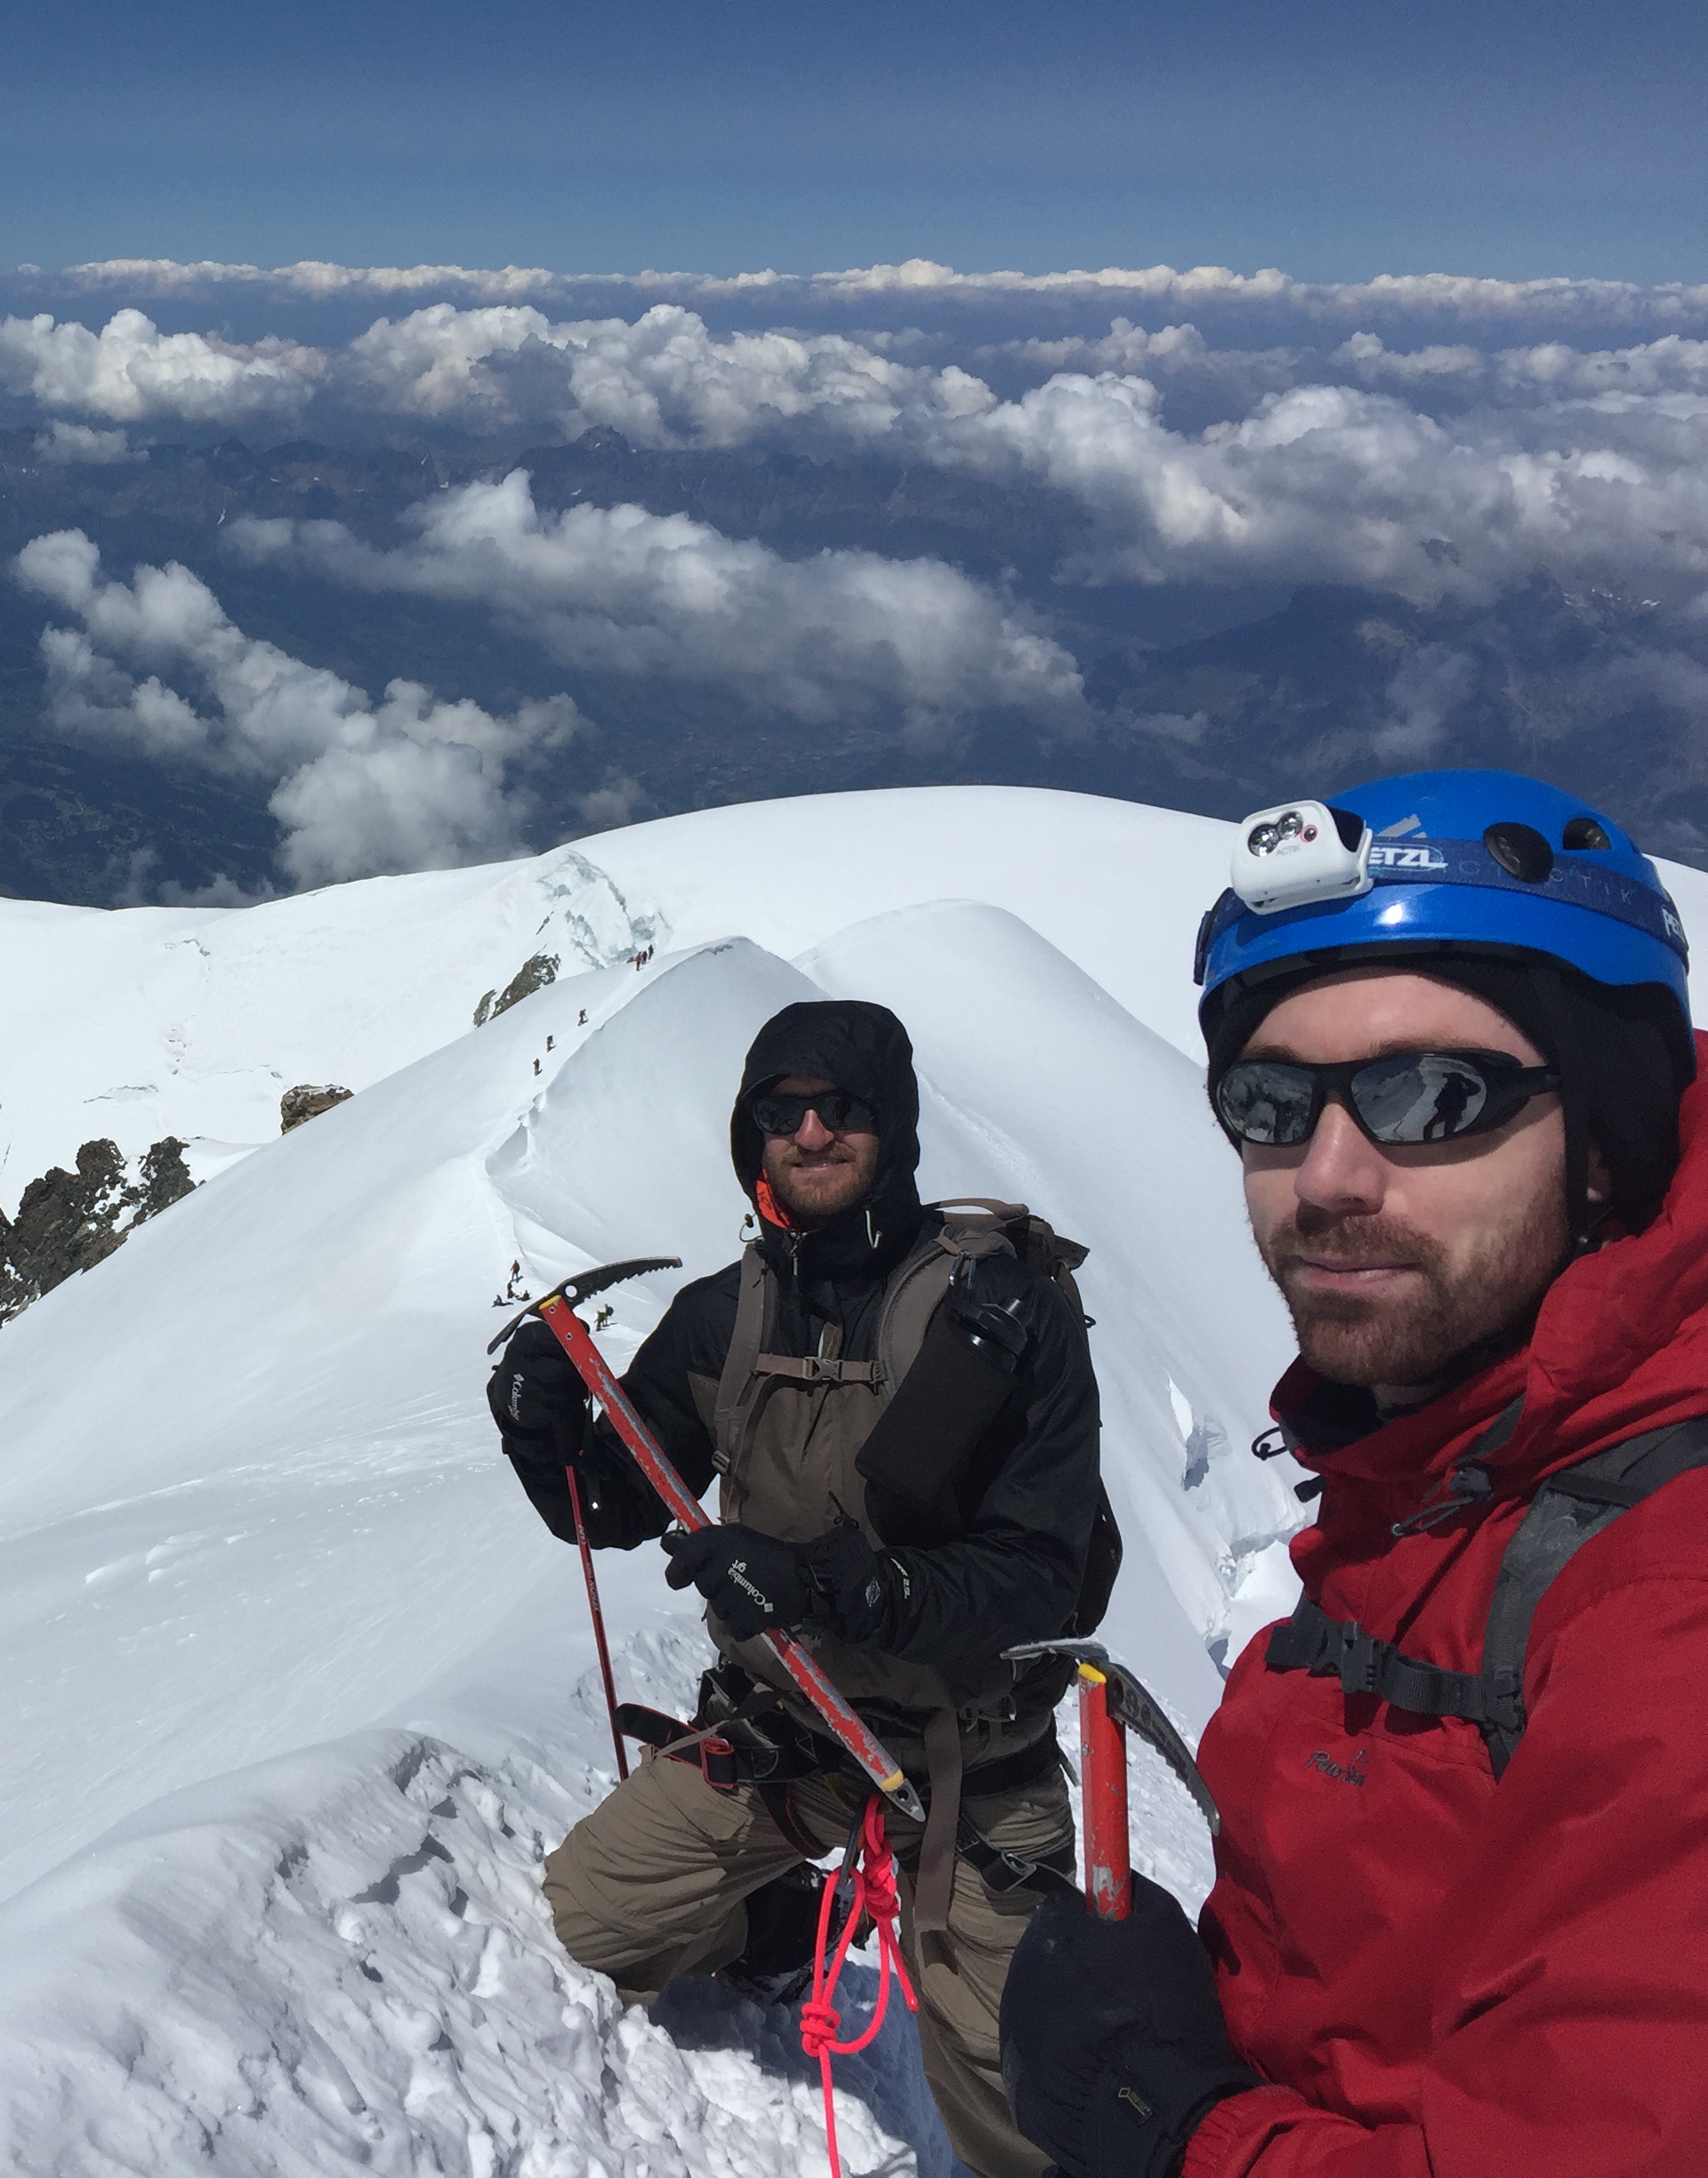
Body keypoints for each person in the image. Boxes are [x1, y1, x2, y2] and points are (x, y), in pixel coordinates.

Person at [1000, 768, 1708, 2178]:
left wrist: (1173, 2126)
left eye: (1431, 1096)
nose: (1327, 1175)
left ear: (1608, 1141)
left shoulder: (1664, 1596)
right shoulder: (1453, 1469)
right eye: (1268, 1100)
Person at [490, 997, 1108, 2178]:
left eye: (843, 1109)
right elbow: (616, 1506)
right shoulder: (723, 1317)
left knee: (1032, 2102)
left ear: (894, 1126)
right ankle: (784, 1925)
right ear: (751, 1134)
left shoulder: (1006, 1315)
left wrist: (825, 1584)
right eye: (784, 1112)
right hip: (785, 1737)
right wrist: (544, 1434)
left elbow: (1043, 1580)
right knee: (592, 1920)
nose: (813, 1132)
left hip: (969, 1770)